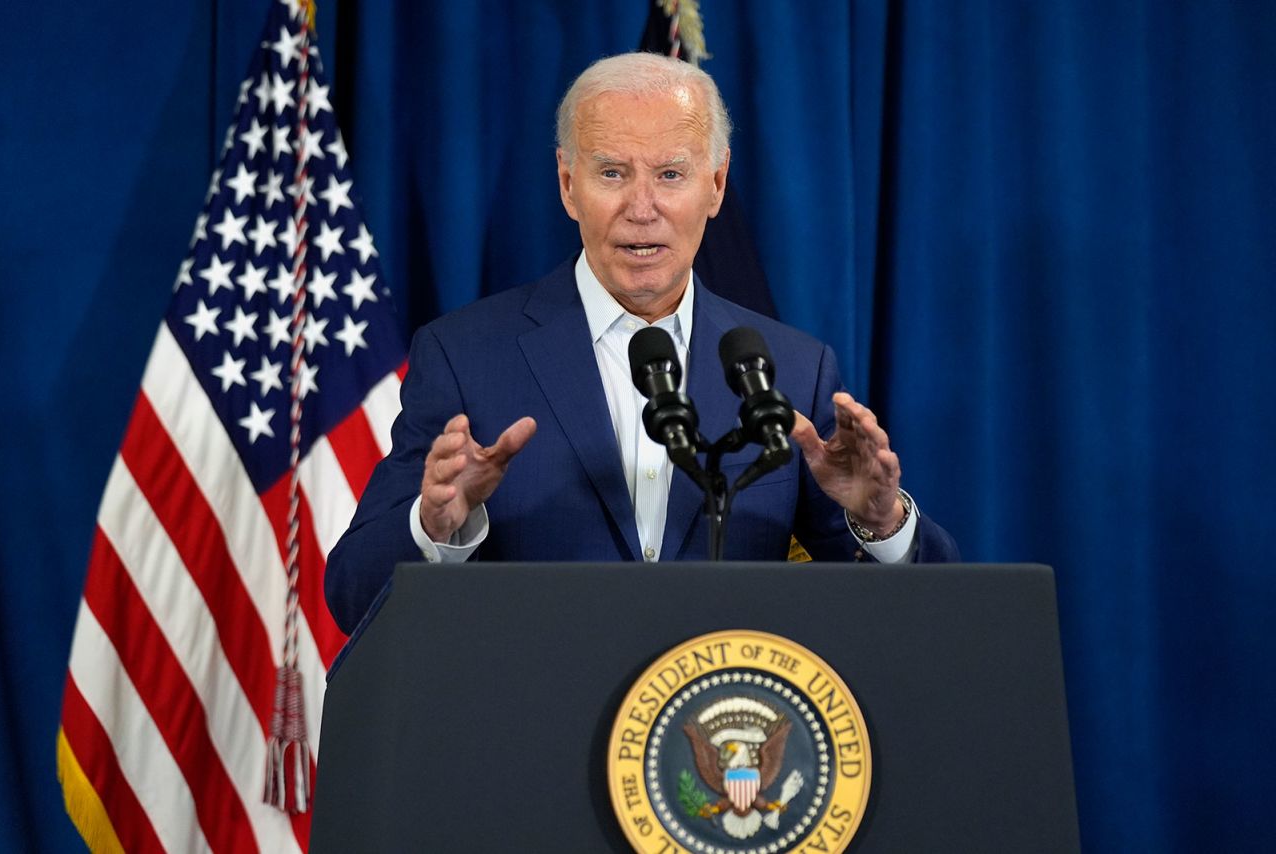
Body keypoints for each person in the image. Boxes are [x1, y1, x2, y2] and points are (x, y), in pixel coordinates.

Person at [325, 53, 958, 634]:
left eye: (671, 174)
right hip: (536, 739)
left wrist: (882, 521)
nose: (642, 207)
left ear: (716, 184)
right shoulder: (465, 357)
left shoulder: (790, 367)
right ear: (569, 185)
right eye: (612, 173)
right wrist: (437, 528)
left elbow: (927, 617)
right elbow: (353, 595)